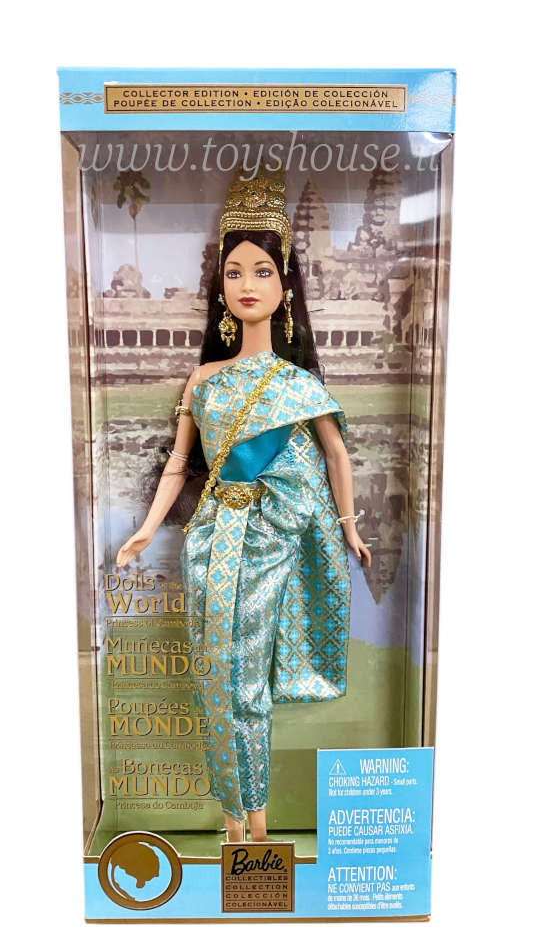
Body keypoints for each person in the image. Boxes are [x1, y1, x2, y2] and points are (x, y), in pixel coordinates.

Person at [116, 167, 371, 844]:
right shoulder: (203, 379)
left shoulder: (298, 384)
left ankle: (253, 823)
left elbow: (336, 456)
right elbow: (179, 465)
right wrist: (145, 529)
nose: (247, 285)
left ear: (285, 287)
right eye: (234, 273)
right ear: (220, 288)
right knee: (215, 681)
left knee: (247, 679)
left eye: (262, 271)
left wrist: (348, 527)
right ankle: (235, 823)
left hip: (267, 543)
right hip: (210, 543)